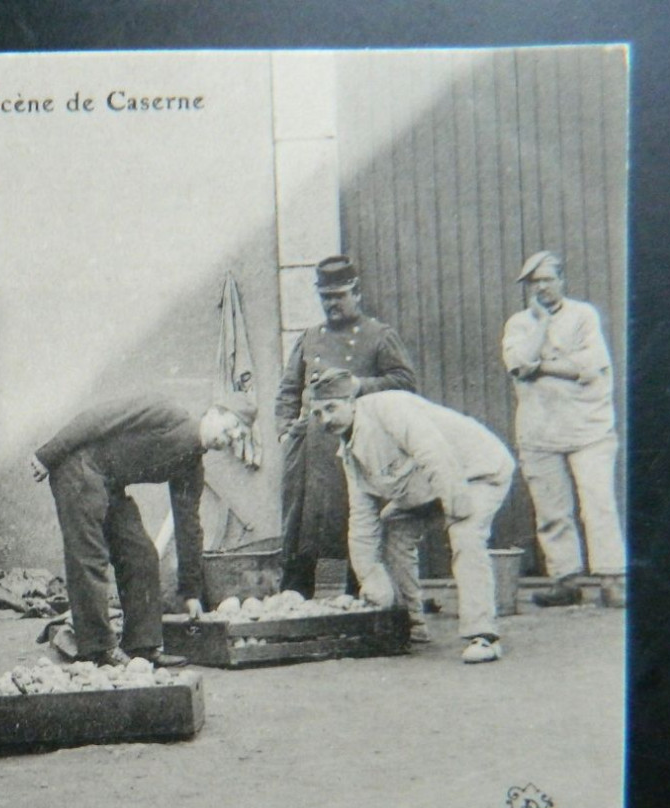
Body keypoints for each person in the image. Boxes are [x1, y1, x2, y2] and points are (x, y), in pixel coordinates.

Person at [29, 390, 259, 667]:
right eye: (233, 425)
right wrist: (48, 454)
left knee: (142, 555)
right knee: (89, 557)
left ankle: (142, 646)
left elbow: (189, 527)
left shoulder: (191, 467)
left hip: (110, 484)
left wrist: (191, 593)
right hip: (78, 468)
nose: (233, 436)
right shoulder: (166, 412)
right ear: (213, 412)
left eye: (241, 434)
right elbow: (98, 418)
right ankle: (97, 650)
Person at [306, 370, 515, 664]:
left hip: (476, 472)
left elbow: (434, 453)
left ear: (351, 401)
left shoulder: (391, 409)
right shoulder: (351, 454)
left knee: (465, 535)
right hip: (429, 488)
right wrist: (370, 577)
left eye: (331, 408)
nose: (325, 419)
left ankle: (483, 636)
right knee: (394, 526)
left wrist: (455, 506)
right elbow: (362, 520)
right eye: (318, 413)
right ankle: (411, 626)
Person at [275, 255, 417, 595]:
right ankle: (295, 598)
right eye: (326, 297)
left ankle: (360, 598)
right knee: (301, 526)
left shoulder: (379, 336)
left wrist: (359, 386)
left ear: (356, 293)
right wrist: (285, 430)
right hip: (310, 451)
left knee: (358, 523)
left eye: (339, 296)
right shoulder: (310, 338)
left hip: (359, 444)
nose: (332, 304)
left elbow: (405, 382)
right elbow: (289, 390)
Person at [501, 250, 626, 609]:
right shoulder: (519, 324)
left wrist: (544, 366)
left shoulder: (584, 316)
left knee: (598, 503)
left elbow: (589, 366)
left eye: (548, 279)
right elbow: (519, 364)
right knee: (552, 510)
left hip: (590, 426)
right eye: (534, 282)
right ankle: (565, 579)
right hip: (539, 430)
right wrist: (540, 329)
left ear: (562, 280)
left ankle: (612, 578)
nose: (542, 287)